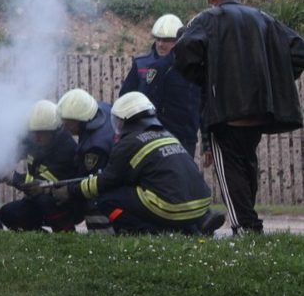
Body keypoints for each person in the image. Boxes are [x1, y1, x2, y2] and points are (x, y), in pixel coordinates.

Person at [174, 0, 304, 234]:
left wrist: (205, 76)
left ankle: (244, 227)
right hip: (259, 111)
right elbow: (298, 49)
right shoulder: (263, 17)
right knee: (247, 166)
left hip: (226, 112)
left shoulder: (207, 19)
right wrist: (277, 79)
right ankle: (251, 224)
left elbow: (184, 49)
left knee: (230, 171)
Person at [52, 92, 225, 235]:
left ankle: (153, 232)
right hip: (201, 202)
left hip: (171, 206)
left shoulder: (129, 143)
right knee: (140, 195)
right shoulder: (166, 134)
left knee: (107, 199)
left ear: (125, 120)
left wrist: (70, 190)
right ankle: (191, 229)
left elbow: (106, 181)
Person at [119, 14, 201, 156]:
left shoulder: (190, 67)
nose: (161, 44)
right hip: (147, 136)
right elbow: (125, 97)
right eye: (158, 39)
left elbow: (196, 102)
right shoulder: (141, 64)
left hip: (183, 136)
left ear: (178, 41)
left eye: (167, 40)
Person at [0, 100, 83, 232]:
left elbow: (40, 185)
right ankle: (39, 235)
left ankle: (65, 233)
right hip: (37, 199)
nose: (36, 138)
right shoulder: (32, 138)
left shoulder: (67, 149)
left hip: (65, 203)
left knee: (44, 199)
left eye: (42, 133)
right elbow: (14, 153)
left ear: (56, 132)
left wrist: (11, 177)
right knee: (7, 213)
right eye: (34, 133)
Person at [56, 88, 116, 232]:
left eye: (69, 124)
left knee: (92, 201)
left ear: (83, 122)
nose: (64, 128)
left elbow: (92, 182)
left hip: (111, 188)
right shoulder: (101, 110)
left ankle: (102, 237)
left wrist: (69, 191)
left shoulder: (95, 147)